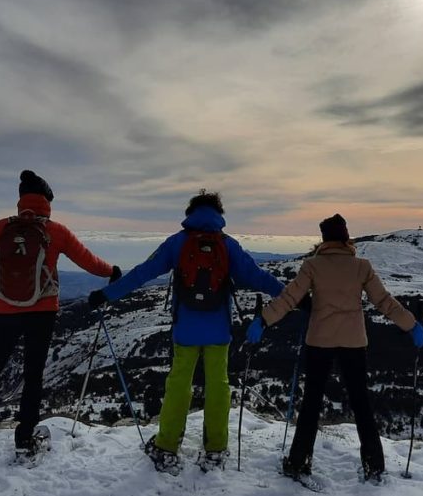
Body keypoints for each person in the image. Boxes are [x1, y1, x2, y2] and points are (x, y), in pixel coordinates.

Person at [88, 190, 285, 472]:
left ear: (190, 213)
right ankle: (215, 449)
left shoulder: (177, 243)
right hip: (218, 330)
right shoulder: (227, 245)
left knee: (179, 383)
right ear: (219, 215)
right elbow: (259, 277)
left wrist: (107, 294)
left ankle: (167, 446)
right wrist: (294, 295)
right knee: (218, 385)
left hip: (185, 329)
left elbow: (142, 273)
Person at [0, 170, 120, 454]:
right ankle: (25, 439)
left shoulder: (3, 227)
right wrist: (111, 271)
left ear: (21, 200)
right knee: (33, 374)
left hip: (6, 310)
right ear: (47, 201)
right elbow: (87, 259)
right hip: (43, 312)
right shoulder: (56, 231)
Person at [246, 213, 423, 482]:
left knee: (311, 404)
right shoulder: (362, 266)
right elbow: (384, 302)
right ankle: (374, 465)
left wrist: (263, 321)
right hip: (354, 343)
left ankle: (298, 462)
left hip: (319, 341)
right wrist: (411, 325)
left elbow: (289, 298)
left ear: (323, 240)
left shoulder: (312, 266)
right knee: (361, 403)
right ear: (345, 238)